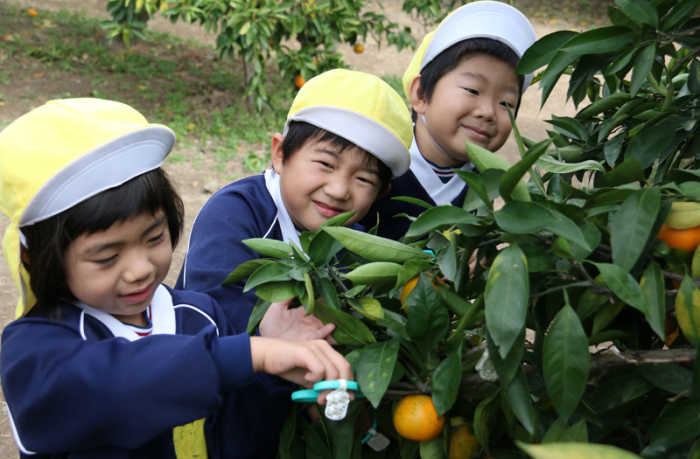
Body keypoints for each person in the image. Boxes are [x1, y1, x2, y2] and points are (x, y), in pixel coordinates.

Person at [0, 98, 352, 459]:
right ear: (34, 256)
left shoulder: (198, 314)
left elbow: (233, 439)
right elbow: (118, 388)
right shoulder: (33, 351)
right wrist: (251, 353)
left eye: (154, 238)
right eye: (107, 257)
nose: (140, 269)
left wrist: (271, 364)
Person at [176, 68, 413, 331]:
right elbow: (209, 314)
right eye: (325, 163)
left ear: (379, 194)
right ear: (280, 154)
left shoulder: (357, 248)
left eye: (364, 180)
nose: (339, 190)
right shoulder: (234, 214)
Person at [358, 1, 538, 240]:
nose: (488, 112)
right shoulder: (379, 167)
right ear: (421, 93)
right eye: (472, 90)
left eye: (506, 103)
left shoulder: (486, 181)